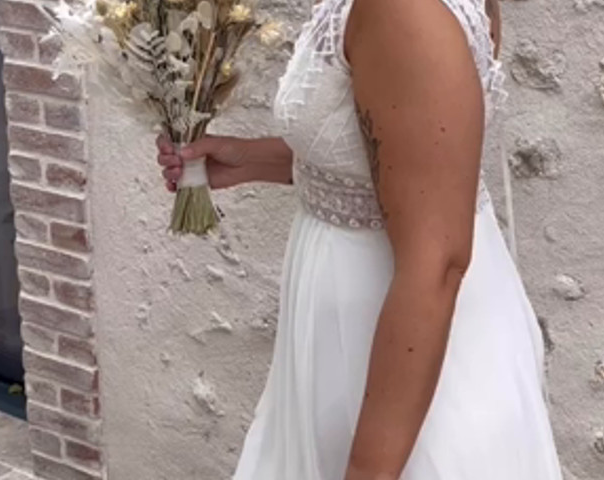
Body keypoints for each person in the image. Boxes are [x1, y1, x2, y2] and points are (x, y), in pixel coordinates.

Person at [157, 0, 563, 478]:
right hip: (360, 327)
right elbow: (398, 156)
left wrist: (369, 471)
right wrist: (252, 160)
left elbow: (437, 262)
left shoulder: (402, 11)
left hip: (400, 341)